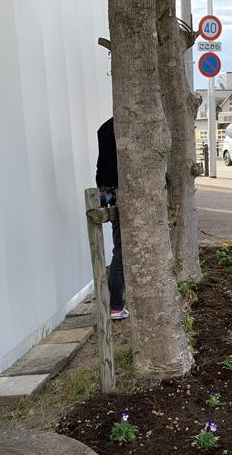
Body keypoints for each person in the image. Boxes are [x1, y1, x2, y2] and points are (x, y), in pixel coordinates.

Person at [95, 117, 128, 320]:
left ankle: (116, 302)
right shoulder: (124, 125)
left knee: (121, 249)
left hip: (108, 188)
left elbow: (102, 166)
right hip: (120, 189)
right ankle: (115, 305)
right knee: (121, 250)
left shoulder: (105, 127)